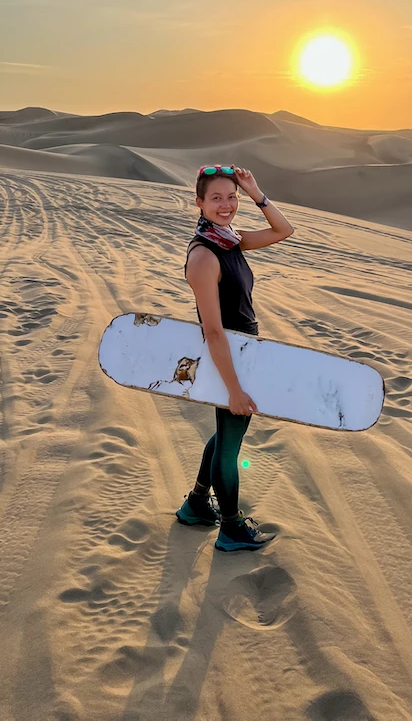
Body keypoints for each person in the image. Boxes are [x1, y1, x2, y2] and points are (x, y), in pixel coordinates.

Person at [176, 164, 295, 551]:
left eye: (232, 197)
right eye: (216, 198)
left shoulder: (228, 239)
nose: (226, 205)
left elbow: (283, 231)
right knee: (230, 444)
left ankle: (196, 504)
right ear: (199, 203)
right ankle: (230, 527)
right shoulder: (205, 257)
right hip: (227, 357)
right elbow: (212, 330)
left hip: (243, 352)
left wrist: (257, 192)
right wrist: (234, 388)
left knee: (228, 433)